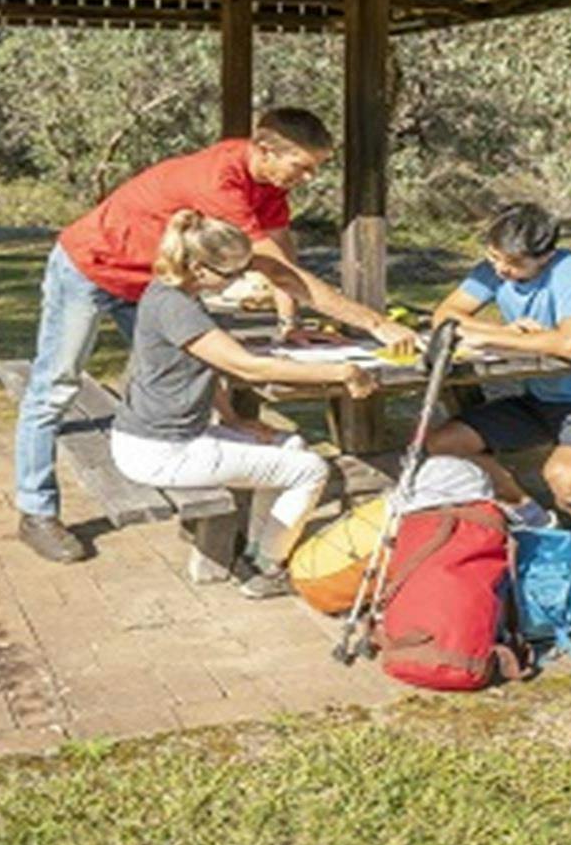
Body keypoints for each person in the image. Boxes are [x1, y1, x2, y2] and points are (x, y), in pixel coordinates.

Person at [14, 106, 417, 564]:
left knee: (189, 366)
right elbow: (280, 273)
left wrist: (289, 324)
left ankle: (201, 461)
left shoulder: (268, 184)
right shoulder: (218, 182)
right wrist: (376, 323)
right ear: (265, 149)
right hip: (91, 266)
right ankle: (36, 511)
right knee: (55, 388)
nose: (307, 177)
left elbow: (283, 255)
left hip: (151, 281)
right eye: (301, 166)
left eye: (314, 168)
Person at [109, 211, 376, 597]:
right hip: (161, 449)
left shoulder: (178, 294)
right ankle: (266, 571)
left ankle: (257, 552)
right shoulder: (175, 307)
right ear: (199, 268)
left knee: (290, 445)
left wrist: (233, 418)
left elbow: (209, 365)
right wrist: (341, 372)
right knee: (310, 471)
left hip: (167, 437)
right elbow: (245, 367)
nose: (239, 281)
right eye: (230, 274)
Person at [423, 203, 571, 533]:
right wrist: (504, 334)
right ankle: (528, 514)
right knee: (444, 444)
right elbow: (444, 318)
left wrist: (489, 337)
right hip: (539, 401)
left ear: (545, 256)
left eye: (513, 263)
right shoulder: (493, 269)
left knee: (567, 484)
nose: (500, 269)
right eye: (494, 257)